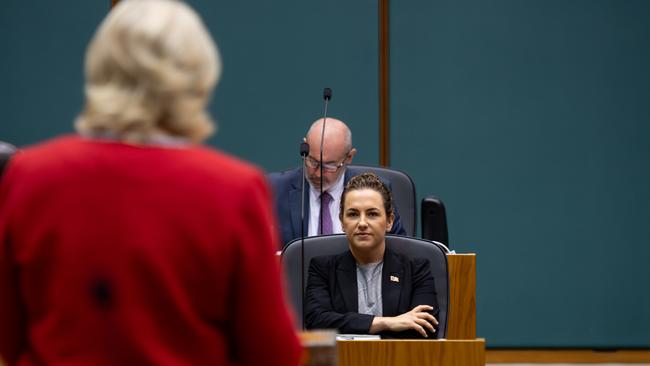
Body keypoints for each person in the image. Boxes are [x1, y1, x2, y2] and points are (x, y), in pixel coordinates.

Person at [0, 1, 300, 365]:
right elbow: (272, 353)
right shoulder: (233, 189)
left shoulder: (29, 175)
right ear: (199, 80)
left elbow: (10, 335)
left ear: (98, 71)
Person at [304, 173, 439, 339]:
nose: (362, 223)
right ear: (342, 222)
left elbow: (425, 328)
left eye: (372, 214)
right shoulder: (323, 268)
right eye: (353, 214)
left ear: (389, 221)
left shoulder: (416, 269)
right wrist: (388, 323)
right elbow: (317, 323)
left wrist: (349, 328)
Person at [268, 118, 406, 246]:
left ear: (349, 157)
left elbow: (399, 251)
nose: (318, 173)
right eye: (312, 161)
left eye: (329, 166)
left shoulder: (375, 191)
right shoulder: (274, 189)